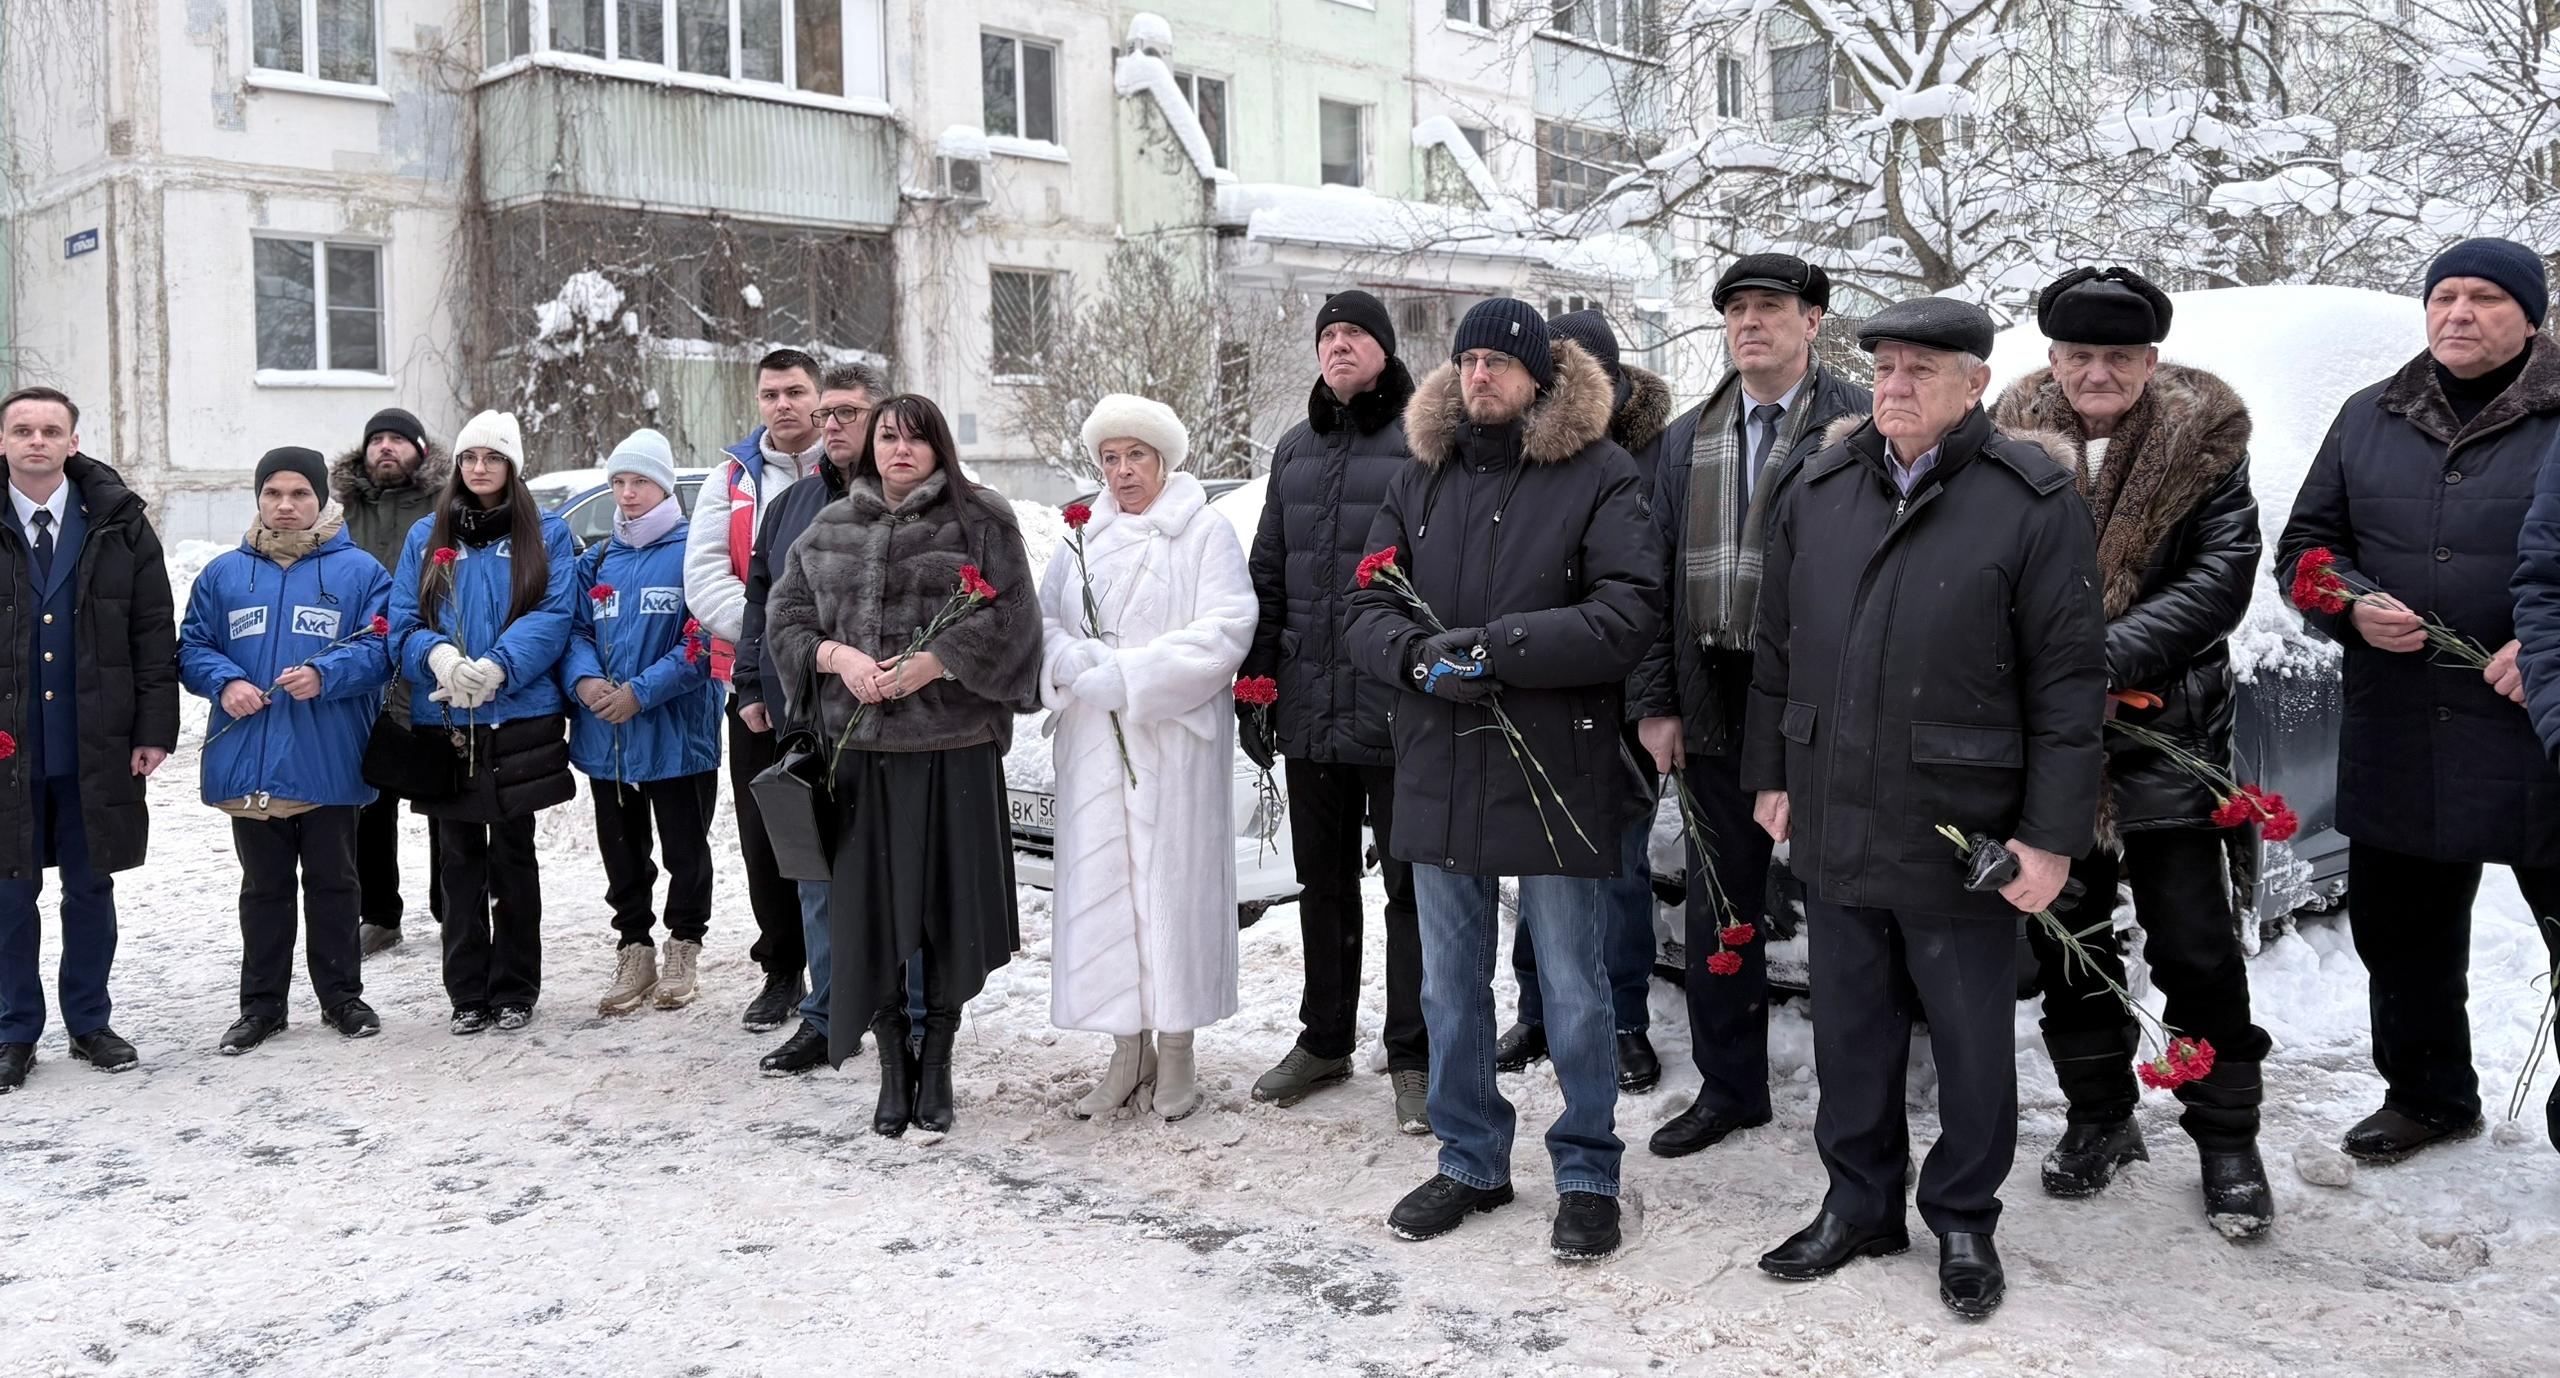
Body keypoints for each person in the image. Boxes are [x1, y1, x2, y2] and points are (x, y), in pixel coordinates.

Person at [1743, 298, 2103, 1318]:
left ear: (1975, 384)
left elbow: (2069, 683)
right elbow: (1776, 647)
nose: (1895, 385)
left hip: (1961, 820)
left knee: (1968, 1036)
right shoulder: (1820, 484)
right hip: (1835, 803)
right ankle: (1858, 1202)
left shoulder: (2031, 499)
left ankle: (1961, 1215)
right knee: (1849, 1025)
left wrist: (2048, 838)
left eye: (1922, 370)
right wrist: (1772, 772)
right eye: (1887, 367)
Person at [1345, 299, 1664, 1263]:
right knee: (1449, 986)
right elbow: (1365, 605)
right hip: (1440, 763)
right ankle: (1472, 1157)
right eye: (1469, 359)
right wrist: (1416, 659)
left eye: (1500, 361)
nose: (1480, 375)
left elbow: (1629, 611)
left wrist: (1500, 649)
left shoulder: (1599, 474)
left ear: (1539, 377)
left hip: (1556, 764)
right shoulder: (1420, 476)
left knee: (1573, 985)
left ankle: (1588, 1169)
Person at [1992, 267, 2275, 1235]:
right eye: (2080, 355)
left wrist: (2094, 661)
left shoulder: (2205, 443)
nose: (2098, 373)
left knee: (2195, 944)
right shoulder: (2005, 438)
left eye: (2118, 357)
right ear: (2053, 359)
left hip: (2167, 730)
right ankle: (2100, 1117)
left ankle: (2227, 1138)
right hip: (2048, 742)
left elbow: (2220, 579)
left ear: (2150, 362)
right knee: (2067, 937)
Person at [2278, 237, 2560, 1163]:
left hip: (2537, 726)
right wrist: (2350, 605)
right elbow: (2306, 550)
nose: (2459, 313)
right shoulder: (2371, 415)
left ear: (2531, 318)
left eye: (2486, 297)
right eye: (2445, 296)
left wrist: (2551, 648)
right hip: (2403, 724)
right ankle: (2427, 1096)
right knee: (2402, 936)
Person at [1627, 253, 1871, 1159]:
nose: (1750, 323)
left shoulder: (1859, 425)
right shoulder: (1687, 439)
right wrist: (1656, 700)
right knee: (1718, 897)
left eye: (1771, 306)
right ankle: (1730, 1087)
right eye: (1736, 310)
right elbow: (1650, 579)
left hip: (1825, 697)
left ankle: (1860, 1101)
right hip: (1715, 694)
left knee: (1845, 904)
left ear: (1813, 321)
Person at [768, 395, 1039, 1136]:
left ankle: (937, 1061)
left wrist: (936, 662)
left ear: (939, 447)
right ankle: (894, 1066)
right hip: (861, 757)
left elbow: (1015, 621)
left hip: (953, 751)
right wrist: (838, 658)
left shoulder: (982, 520)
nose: (900, 450)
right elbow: (786, 621)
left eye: (916, 439)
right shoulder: (829, 526)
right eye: (888, 436)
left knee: (946, 910)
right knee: (873, 915)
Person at [1238, 290, 1431, 1133]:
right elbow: (1267, 572)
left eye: (1355, 333)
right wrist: (1256, 685)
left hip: (1398, 708)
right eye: (1328, 335)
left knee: (1411, 891)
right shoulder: (1294, 448)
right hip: (1312, 706)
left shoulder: (1424, 438)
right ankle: (1324, 1040)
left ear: (1384, 349)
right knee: (1322, 885)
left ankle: (1415, 1053)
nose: (1339, 345)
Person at [1039, 395, 1256, 1122]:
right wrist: (1072, 662)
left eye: (1136, 456)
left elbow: (1226, 629)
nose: (1123, 471)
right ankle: (1126, 1047)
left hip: (1171, 745)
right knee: (1106, 891)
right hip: (1095, 747)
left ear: (1163, 460)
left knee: (1172, 890)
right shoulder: (1080, 536)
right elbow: (1045, 619)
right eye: (1110, 458)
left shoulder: (1203, 530)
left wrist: (1131, 677)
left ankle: (1179, 1044)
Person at [1490, 307, 1676, 1096]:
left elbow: (1658, 593)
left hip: (1624, 697)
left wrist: (1655, 700)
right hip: (1542, 690)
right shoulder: (1523, 451)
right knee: (1535, 862)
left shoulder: (1655, 455)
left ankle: (1623, 1018)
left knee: (1620, 871)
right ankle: (1536, 1009)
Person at [177, 446, 394, 1052]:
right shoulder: (224, 575)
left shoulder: (361, 573)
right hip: (251, 759)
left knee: (335, 883)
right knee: (263, 888)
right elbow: (192, 647)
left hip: (327, 755)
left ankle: (342, 997)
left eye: (300, 493)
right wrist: (226, 682)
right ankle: (262, 1006)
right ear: (259, 498)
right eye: (273, 493)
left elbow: (383, 648)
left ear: (321, 498)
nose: (286, 505)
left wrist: (328, 674)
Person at [0, 386, 178, 1095]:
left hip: (94, 745)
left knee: (90, 887)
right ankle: (14, 1030)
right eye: (22, 430)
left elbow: (152, 631)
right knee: (9, 894)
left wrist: (153, 729)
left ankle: (89, 1022)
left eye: (51, 430)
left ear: (73, 442)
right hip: (9, 750)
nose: (37, 441)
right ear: (2, 442)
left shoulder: (119, 522)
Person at [387, 410, 578, 1035]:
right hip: (446, 718)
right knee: (458, 859)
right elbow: (403, 621)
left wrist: (499, 666)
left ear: (512, 466)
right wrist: (438, 656)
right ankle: (467, 991)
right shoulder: (427, 534)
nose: (479, 468)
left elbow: (554, 614)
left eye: (493, 458)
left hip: (516, 713)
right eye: (470, 457)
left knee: (514, 857)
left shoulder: (545, 533)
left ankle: (516, 987)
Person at [739, 362, 892, 1076]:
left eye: (847, 413)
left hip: (892, 719)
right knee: (816, 872)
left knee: (893, 872)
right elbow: (761, 600)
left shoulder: (913, 498)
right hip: (806, 716)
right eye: (826, 413)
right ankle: (828, 1017)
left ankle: (903, 1015)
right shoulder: (792, 505)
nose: (830, 425)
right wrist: (750, 681)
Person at [686, 348, 829, 1033]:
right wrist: (774, 643)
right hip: (755, 685)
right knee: (768, 829)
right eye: (771, 394)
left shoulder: (848, 466)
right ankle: (781, 968)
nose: (783, 405)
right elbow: (706, 573)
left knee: (841, 823)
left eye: (796, 391)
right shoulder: (732, 478)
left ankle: (850, 966)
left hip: (837, 681)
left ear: (818, 396)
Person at [564, 429, 723, 1017]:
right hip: (608, 739)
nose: (627, 494)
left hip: (677, 735)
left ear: (665, 488)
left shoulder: (693, 553)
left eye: (641, 482)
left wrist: (641, 692)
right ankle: (634, 947)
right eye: (619, 482)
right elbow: (573, 631)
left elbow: (704, 640)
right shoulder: (597, 560)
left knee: (686, 850)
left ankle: (684, 944)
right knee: (622, 852)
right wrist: (585, 682)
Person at [332, 407, 446, 956]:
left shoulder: (446, 507)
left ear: (419, 451)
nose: (384, 447)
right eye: (376, 439)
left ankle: (454, 907)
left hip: (432, 668)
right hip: (367, 675)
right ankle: (379, 914)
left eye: (397, 440)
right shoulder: (341, 513)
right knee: (370, 802)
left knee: (445, 795)